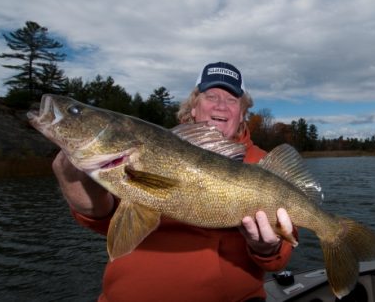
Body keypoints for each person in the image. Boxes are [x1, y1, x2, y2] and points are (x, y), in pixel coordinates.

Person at [52, 62, 295, 301]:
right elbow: (103, 221)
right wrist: (73, 183)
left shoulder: (265, 166)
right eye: (211, 95)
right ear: (193, 107)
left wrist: (267, 248)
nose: (221, 105)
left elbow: (280, 256)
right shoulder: (154, 146)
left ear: (242, 113)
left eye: (232, 99)